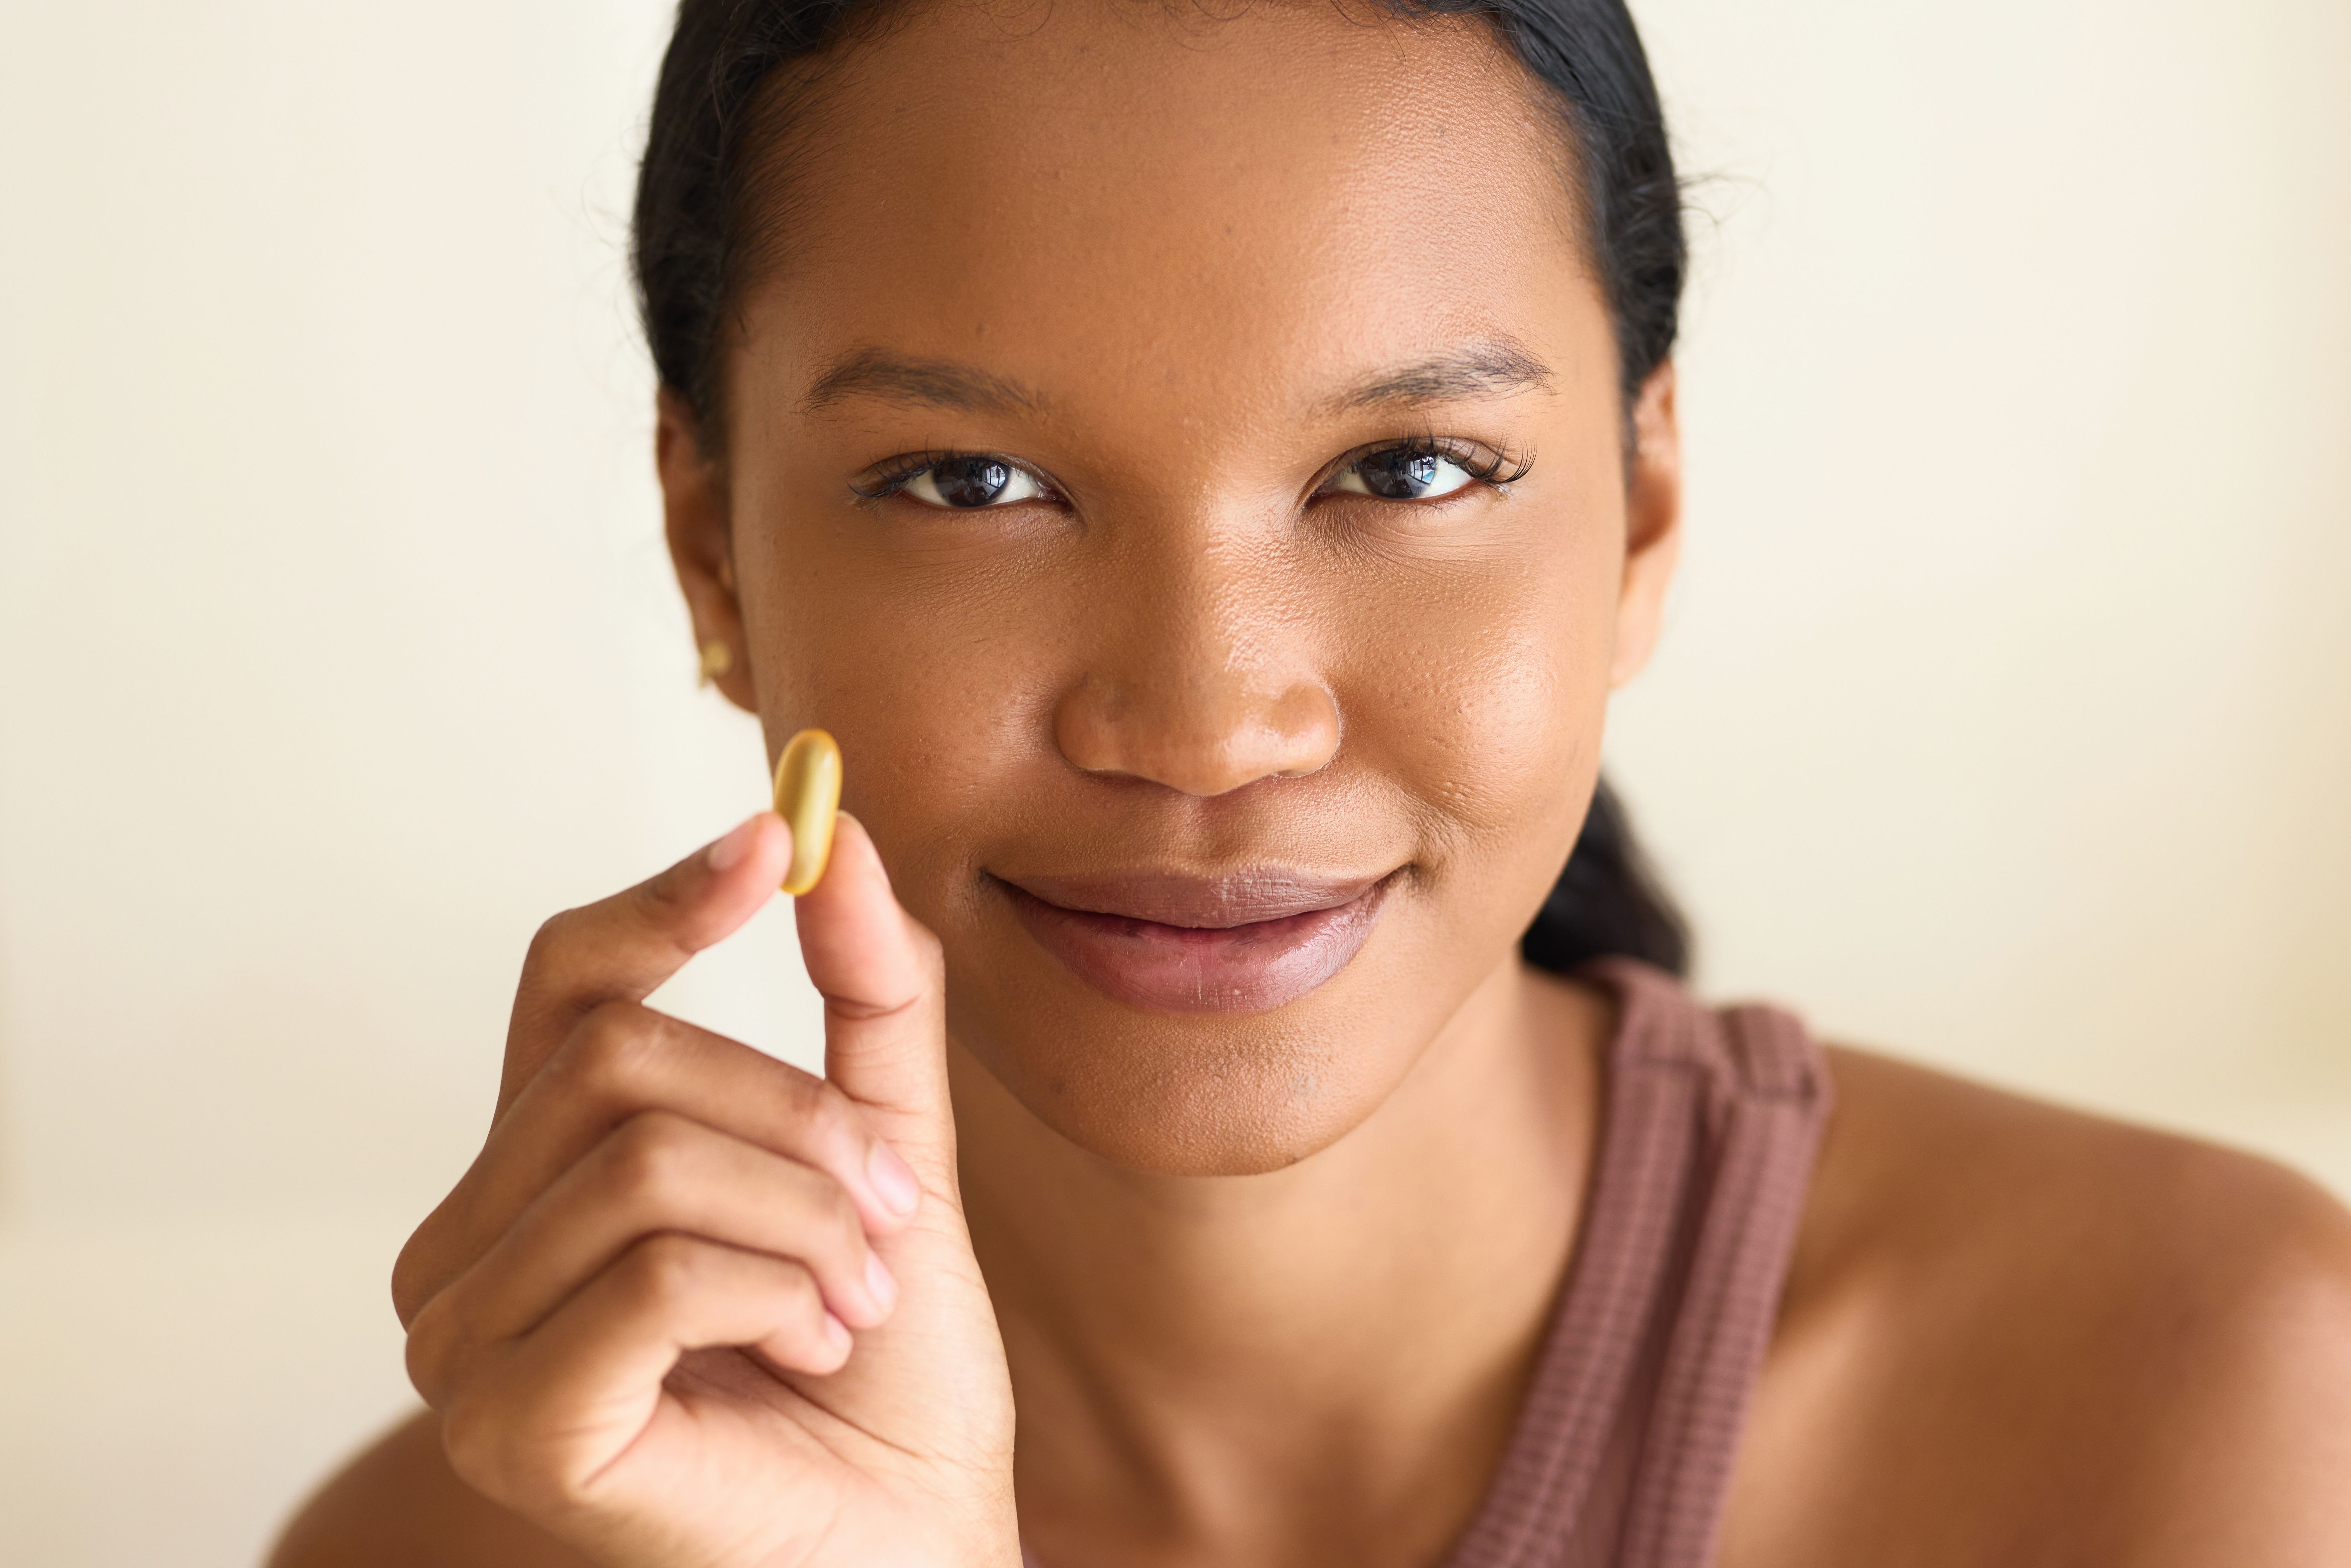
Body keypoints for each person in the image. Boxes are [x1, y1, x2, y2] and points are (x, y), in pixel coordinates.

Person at [270, 0, 2351, 1562]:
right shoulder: (497, 1525)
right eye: (973, 482)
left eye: (1408, 472)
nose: (1203, 723)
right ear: (712, 548)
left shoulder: (2221, 1402)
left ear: (1640, 514)